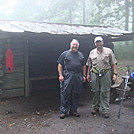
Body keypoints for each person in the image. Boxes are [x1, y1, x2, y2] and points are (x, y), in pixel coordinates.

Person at [86, 36, 117, 118]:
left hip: (106, 73)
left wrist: (115, 74)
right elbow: (89, 64)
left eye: (100, 42)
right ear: (94, 43)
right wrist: (88, 74)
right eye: (97, 42)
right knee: (95, 91)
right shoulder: (92, 52)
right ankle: (95, 107)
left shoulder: (109, 51)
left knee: (105, 91)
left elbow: (113, 63)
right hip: (94, 73)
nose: (98, 43)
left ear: (103, 42)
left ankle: (105, 110)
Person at [57, 39, 86, 119]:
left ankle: (73, 110)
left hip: (78, 75)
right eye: (73, 44)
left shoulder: (80, 55)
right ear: (70, 45)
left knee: (76, 93)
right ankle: (64, 111)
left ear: (78, 46)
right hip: (68, 75)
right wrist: (60, 75)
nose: (75, 46)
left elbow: (83, 66)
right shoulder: (65, 54)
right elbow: (60, 65)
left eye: (76, 45)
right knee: (65, 93)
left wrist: (84, 75)